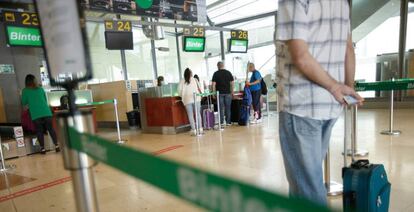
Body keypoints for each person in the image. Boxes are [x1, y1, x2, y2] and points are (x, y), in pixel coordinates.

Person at [276, 0, 363, 205]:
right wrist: (347, 88)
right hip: (330, 106)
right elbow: (348, 49)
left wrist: (335, 87)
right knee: (307, 180)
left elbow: (301, 56)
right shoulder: (342, 3)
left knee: (307, 190)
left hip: (301, 104)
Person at [21, 74, 60, 154]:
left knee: (39, 131)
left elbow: (24, 102)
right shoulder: (40, 89)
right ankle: (56, 146)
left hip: (36, 114)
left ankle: (42, 149)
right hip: (46, 112)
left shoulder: (25, 90)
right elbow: (45, 100)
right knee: (51, 129)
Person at [178, 68, 204, 136]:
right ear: (191, 73)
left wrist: (183, 96)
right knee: (198, 114)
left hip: (187, 100)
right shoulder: (195, 79)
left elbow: (179, 91)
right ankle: (200, 129)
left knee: (190, 115)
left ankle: (194, 130)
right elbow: (200, 88)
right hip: (196, 99)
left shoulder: (182, 81)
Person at [212, 62, 234, 126]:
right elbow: (232, 83)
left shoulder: (216, 73)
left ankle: (221, 122)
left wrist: (213, 93)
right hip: (228, 93)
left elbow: (213, 84)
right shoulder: (228, 72)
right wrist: (232, 91)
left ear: (218, 66)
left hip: (220, 93)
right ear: (223, 65)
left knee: (221, 108)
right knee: (228, 108)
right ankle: (228, 122)